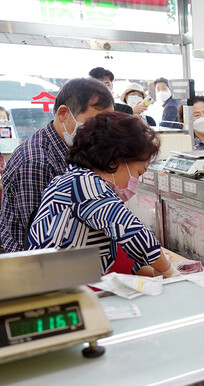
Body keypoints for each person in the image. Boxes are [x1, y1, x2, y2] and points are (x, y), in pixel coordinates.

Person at [28, 112, 179, 278]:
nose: (137, 180)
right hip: (54, 289)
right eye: (139, 172)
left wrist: (157, 273)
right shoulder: (85, 184)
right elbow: (131, 232)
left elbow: (118, 246)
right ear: (114, 161)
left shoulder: (74, 179)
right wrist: (169, 271)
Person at [0, 78, 114, 253]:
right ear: (63, 113)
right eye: (94, 122)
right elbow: (41, 240)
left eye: (106, 124)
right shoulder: (36, 162)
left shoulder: (72, 149)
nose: (101, 131)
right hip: (35, 269)